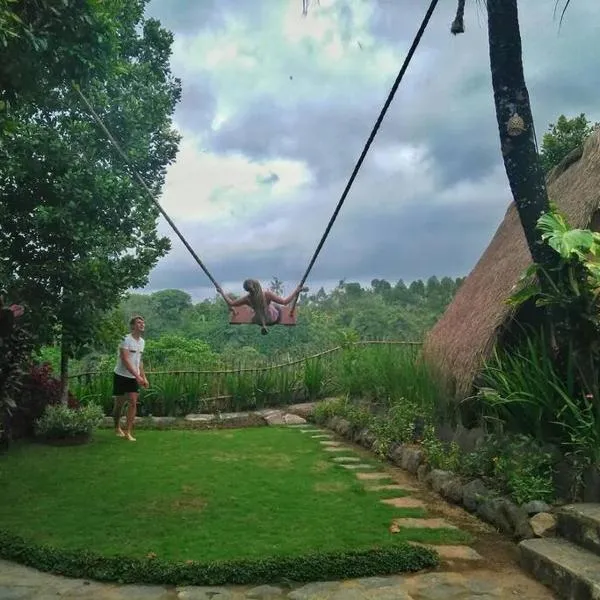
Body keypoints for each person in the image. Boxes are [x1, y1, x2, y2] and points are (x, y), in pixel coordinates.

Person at [217, 279, 308, 335]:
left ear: (247, 290)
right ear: (258, 286)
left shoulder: (247, 299)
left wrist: (221, 292)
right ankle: (264, 313)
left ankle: (262, 323)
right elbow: (285, 302)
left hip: (258, 321)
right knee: (275, 307)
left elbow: (231, 303)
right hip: (273, 319)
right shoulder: (267, 295)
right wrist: (296, 290)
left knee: (256, 310)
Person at [112, 315, 148, 441]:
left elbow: (139, 361)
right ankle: (117, 426)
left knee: (133, 402)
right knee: (119, 405)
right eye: (139, 323)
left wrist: (143, 376)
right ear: (133, 326)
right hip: (121, 375)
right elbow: (126, 360)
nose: (142, 324)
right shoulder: (125, 340)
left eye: (143, 323)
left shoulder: (142, 342)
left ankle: (128, 432)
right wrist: (138, 376)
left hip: (134, 377)